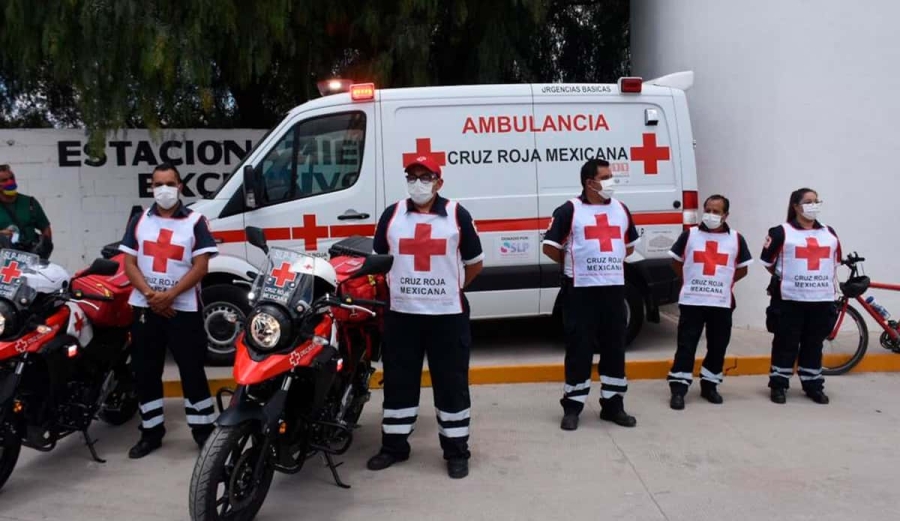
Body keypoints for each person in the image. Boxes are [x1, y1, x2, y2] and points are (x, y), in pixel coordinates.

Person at [366, 155, 483, 479]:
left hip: (447, 316)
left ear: (439, 182)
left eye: (426, 176)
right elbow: (379, 262)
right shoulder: (392, 215)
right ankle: (394, 447)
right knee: (399, 383)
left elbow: (475, 263)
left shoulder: (457, 215)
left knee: (452, 384)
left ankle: (457, 451)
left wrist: (450, 288)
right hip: (402, 315)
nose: (419, 183)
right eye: (413, 176)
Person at [118, 162, 219, 458]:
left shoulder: (196, 221)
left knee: (192, 371)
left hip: (183, 309)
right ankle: (151, 433)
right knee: (146, 372)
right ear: (151, 187)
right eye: (158, 184)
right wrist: (152, 296)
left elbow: (201, 267)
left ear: (180, 186)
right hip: (146, 308)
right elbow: (129, 264)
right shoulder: (139, 220)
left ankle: (203, 432)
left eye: (170, 183)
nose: (164, 189)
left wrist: (170, 296)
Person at [542, 158, 640, 431]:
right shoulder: (569, 210)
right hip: (580, 290)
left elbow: (628, 246)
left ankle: (613, 405)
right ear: (590, 182)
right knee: (579, 348)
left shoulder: (621, 209)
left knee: (614, 348)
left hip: (613, 289)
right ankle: (573, 406)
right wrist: (575, 263)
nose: (611, 181)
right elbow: (550, 247)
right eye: (606, 177)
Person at [666, 194, 753, 410]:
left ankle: (710, 385)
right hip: (692, 301)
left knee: (717, 346)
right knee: (686, 346)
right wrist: (693, 281)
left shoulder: (735, 238)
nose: (711, 215)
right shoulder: (690, 235)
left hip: (721, 302)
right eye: (708, 210)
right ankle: (679, 389)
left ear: (726, 215)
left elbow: (742, 269)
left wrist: (722, 283)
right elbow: (676, 263)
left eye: (717, 211)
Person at [760, 187, 840, 405]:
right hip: (789, 300)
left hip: (821, 300)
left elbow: (833, 262)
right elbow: (769, 263)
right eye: (808, 201)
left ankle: (813, 385)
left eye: (816, 201)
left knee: (814, 344)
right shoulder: (780, 232)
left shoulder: (829, 232)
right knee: (785, 343)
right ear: (795, 206)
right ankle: (778, 385)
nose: (813, 205)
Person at [0, 164, 53, 258]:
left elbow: (45, 228)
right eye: (4, 180)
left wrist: (44, 251)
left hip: (30, 258)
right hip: (3, 261)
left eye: (11, 178)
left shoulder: (29, 203)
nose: (10, 182)